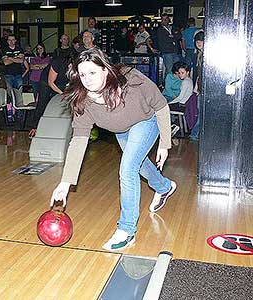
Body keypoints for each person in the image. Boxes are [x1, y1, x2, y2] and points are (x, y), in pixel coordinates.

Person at [50, 48, 176, 251]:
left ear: (105, 70)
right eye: (82, 74)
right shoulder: (83, 102)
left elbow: (161, 106)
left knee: (127, 169)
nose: (87, 79)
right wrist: (65, 183)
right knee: (139, 164)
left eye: (92, 72)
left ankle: (126, 230)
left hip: (146, 121)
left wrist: (164, 144)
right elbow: (78, 141)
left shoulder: (133, 81)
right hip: (122, 131)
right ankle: (164, 187)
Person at [189, 31, 204, 141]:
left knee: (201, 112)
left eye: (201, 41)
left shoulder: (205, 54)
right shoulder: (199, 54)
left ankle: (195, 134)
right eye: (197, 41)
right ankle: (196, 134)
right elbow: (199, 73)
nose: (199, 43)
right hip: (201, 87)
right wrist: (196, 86)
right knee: (200, 111)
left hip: (205, 87)